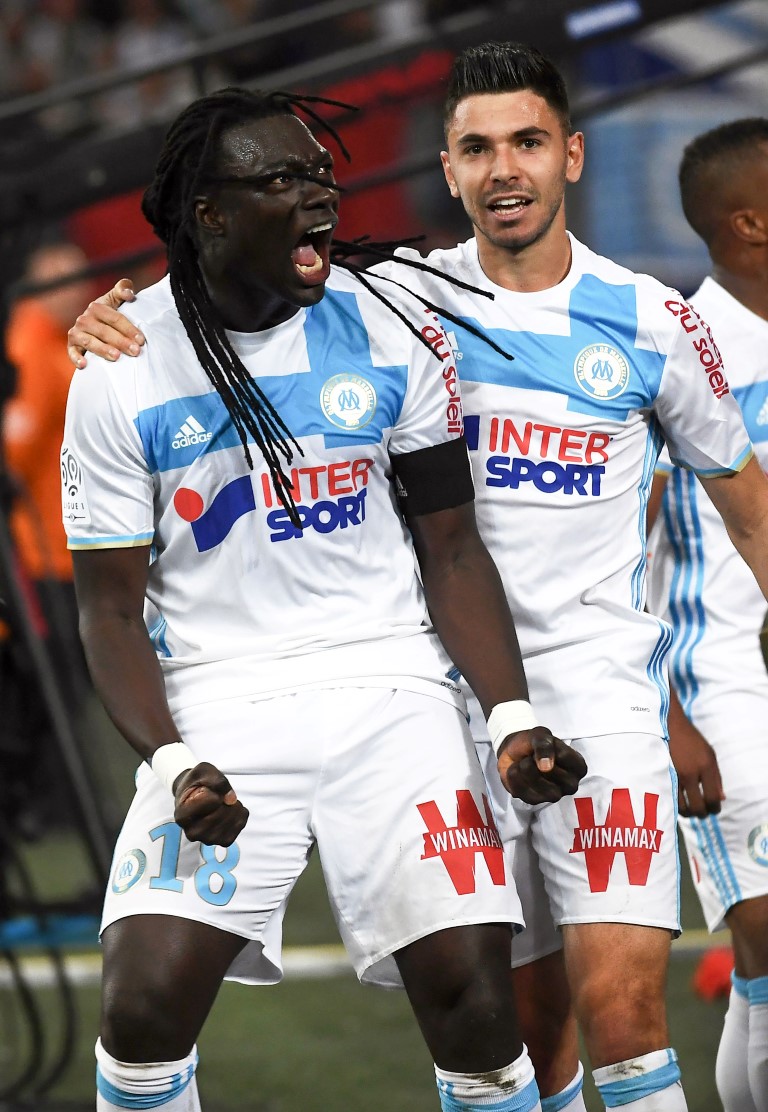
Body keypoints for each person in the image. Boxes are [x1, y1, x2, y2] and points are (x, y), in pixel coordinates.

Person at [68, 44, 768, 1111]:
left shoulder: (604, 318)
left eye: (528, 142)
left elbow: (723, 509)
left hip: (532, 688)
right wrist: (108, 312)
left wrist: (632, 702)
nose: (506, 169)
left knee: (606, 1015)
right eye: (478, 147)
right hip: (352, 695)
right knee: (511, 1036)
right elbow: (114, 598)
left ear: (571, 154)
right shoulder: (384, 299)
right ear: (447, 169)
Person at [645, 118, 768, 1112]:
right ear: (750, 222)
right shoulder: (681, 346)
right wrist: (669, 714)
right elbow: (618, 545)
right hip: (718, 679)